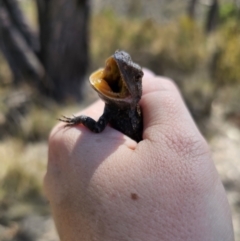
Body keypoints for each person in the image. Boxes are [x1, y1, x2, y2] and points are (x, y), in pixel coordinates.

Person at [44, 69, 234, 241]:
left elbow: (98, 127)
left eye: (135, 76)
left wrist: (79, 119)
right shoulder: (112, 107)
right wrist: (79, 120)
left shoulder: (129, 109)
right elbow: (97, 126)